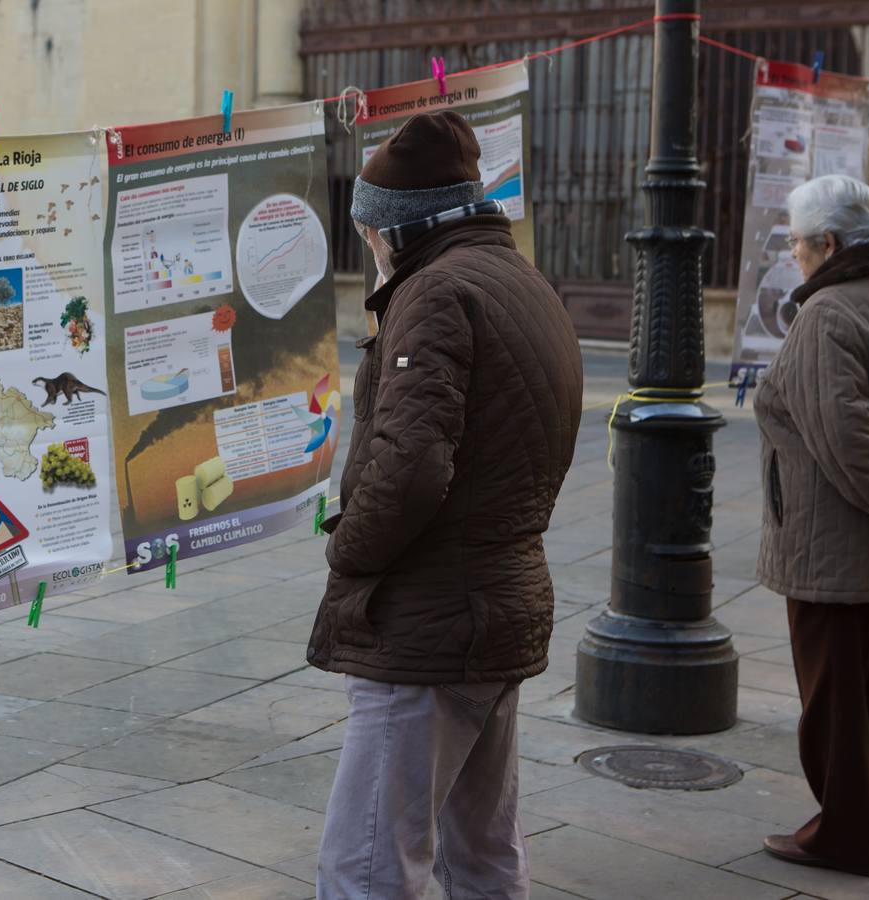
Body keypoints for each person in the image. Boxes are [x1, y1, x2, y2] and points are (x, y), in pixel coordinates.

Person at [308, 111, 583, 899]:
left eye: (368, 231)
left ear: (394, 227)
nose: (369, 246)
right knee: (483, 849)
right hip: (498, 600)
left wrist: (347, 550)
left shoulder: (434, 292)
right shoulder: (519, 280)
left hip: (429, 623)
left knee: (365, 868)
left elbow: (411, 468)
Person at [753, 173, 869, 878]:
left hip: (838, 551)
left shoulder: (829, 314)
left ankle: (844, 834)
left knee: (837, 703)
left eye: (795, 244)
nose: (792, 256)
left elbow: (855, 450)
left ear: (829, 243)